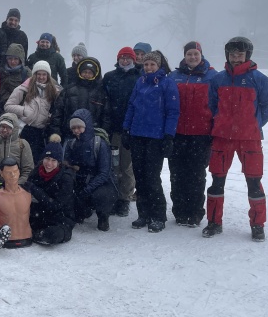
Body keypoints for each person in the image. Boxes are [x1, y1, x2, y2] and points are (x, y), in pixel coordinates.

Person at [204, 36, 268, 242]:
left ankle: (257, 224)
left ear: (247, 55)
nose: (236, 58)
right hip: (222, 138)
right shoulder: (218, 79)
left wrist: (254, 125)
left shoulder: (260, 80)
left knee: (254, 183)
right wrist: (221, 122)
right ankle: (214, 222)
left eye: (240, 54)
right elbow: (211, 105)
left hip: (250, 139)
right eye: (232, 54)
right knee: (217, 181)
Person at [122, 51, 180, 233]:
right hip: (138, 134)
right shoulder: (140, 82)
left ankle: (158, 216)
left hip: (156, 137)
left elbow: (173, 112)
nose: (148, 67)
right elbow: (132, 105)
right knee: (139, 176)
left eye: (152, 65)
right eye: (146, 64)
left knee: (152, 177)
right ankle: (143, 213)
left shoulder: (167, 83)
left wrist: (169, 136)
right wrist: (126, 129)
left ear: (159, 65)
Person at [168, 41, 216, 227]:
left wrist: (214, 130)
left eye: (196, 54)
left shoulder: (212, 76)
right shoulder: (175, 76)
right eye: (189, 54)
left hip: (201, 134)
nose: (192, 57)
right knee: (177, 174)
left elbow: (218, 105)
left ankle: (195, 212)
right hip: (178, 134)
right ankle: (180, 211)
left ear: (201, 55)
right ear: (184, 56)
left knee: (196, 175)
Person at [101, 47, 141, 216]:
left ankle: (124, 198)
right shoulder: (110, 77)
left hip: (129, 129)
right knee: (110, 165)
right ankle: (112, 196)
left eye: (128, 58)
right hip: (111, 127)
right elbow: (103, 99)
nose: (125, 61)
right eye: (122, 58)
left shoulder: (139, 77)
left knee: (126, 166)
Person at [63, 110, 120, 231]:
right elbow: (67, 165)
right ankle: (82, 210)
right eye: (73, 128)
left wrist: (87, 190)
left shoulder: (99, 144)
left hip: (100, 181)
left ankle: (103, 216)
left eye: (79, 127)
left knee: (101, 195)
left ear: (86, 126)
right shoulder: (71, 143)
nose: (76, 131)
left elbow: (104, 173)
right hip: (80, 180)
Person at [4, 60, 60, 161]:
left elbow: (58, 109)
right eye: (39, 74)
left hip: (43, 132)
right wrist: (24, 110)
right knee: (23, 159)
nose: (41, 77)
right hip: (26, 129)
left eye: (44, 74)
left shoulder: (54, 91)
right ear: (34, 74)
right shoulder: (24, 88)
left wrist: (50, 117)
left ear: (48, 75)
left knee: (38, 161)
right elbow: (8, 106)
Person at [25, 137, 76, 245]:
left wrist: (35, 190)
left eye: (53, 160)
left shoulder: (66, 178)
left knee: (54, 235)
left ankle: (39, 234)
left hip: (60, 217)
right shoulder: (36, 172)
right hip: (40, 214)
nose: (49, 163)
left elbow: (56, 205)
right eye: (47, 159)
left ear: (59, 162)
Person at [51, 57, 104, 138]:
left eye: (90, 72)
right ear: (80, 72)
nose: (87, 75)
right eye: (84, 72)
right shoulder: (68, 90)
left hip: (93, 135)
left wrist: (103, 132)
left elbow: (106, 116)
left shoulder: (100, 92)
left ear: (95, 74)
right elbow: (58, 112)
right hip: (70, 133)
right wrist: (56, 131)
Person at [0, 158, 32, 248]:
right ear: (1, 174)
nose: (13, 175)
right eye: (8, 172)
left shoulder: (27, 194)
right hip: (7, 241)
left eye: (15, 171)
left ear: (19, 172)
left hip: (27, 238)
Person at [0, 112, 35, 186]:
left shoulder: (22, 144)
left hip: (16, 187)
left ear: (14, 128)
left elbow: (28, 170)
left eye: (8, 127)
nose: (5, 130)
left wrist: (17, 184)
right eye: (2, 126)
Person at [0, 43, 31, 114]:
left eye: (16, 59)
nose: (12, 62)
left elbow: (30, 93)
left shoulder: (26, 73)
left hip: (19, 108)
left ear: (20, 59)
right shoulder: (1, 72)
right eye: (10, 59)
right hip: (2, 106)